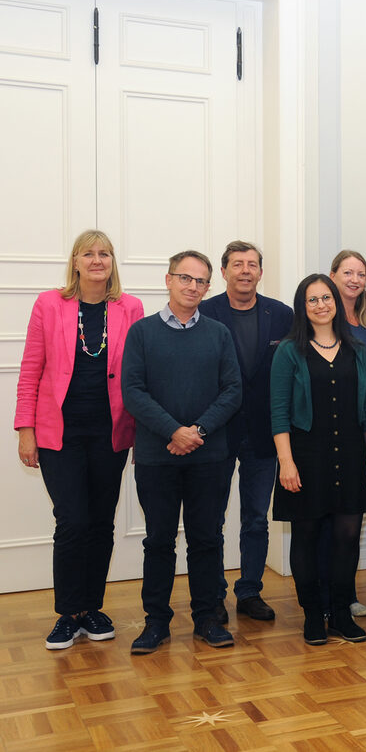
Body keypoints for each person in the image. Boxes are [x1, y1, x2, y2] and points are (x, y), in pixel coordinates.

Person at [15, 230, 145, 650]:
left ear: (113, 262)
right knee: (71, 521)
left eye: (104, 253)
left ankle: (92, 607)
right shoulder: (49, 304)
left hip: (111, 433)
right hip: (59, 434)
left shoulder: (131, 308)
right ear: (74, 262)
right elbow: (31, 369)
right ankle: (68, 613)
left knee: (101, 523)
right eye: (87, 253)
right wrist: (26, 431)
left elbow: (139, 374)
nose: (96, 260)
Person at [121, 250, 242, 654]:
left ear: (209, 287)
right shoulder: (141, 332)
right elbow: (133, 392)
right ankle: (156, 622)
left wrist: (197, 430)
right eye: (185, 278)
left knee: (207, 538)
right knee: (158, 540)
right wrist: (174, 430)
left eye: (201, 281)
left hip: (209, 456)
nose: (193, 287)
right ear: (168, 280)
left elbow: (232, 390)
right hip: (157, 457)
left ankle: (207, 618)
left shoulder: (219, 333)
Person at [270, 274, 366, 645]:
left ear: (336, 301)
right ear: (303, 307)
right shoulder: (289, 350)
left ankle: (341, 613)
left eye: (326, 298)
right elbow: (279, 411)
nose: (320, 305)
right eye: (312, 300)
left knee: (347, 537)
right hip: (305, 456)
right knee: (307, 534)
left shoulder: (358, 349)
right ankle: (314, 615)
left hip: (350, 454)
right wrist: (286, 462)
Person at [199, 241, 293, 625]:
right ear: (223, 272)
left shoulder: (282, 315)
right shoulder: (204, 312)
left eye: (252, 264)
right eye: (237, 264)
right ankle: (214, 594)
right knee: (212, 518)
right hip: (216, 432)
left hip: (263, 433)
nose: (245, 271)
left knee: (256, 517)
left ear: (260, 271)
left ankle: (250, 591)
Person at [327, 249, 366, 618]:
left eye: (361, 274)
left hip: (361, 432)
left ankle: (344, 596)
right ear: (332, 276)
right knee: (324, 522)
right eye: (347, 272)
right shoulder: (320, 322)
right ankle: (323, 599)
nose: (354, 280)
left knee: (349, 523)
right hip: (323, 435)